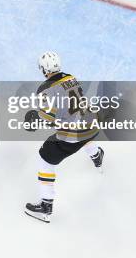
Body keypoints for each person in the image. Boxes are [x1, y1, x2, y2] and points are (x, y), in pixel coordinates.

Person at [23, 51, 104, 223]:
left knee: (45, 158)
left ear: (44, 69)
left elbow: (50, 118)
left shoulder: (44, 89)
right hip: (92, 123)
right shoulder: (70, 77)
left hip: (74, 134)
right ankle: (97, 155)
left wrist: (35, 119)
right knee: (83, 130)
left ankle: (46, 205)